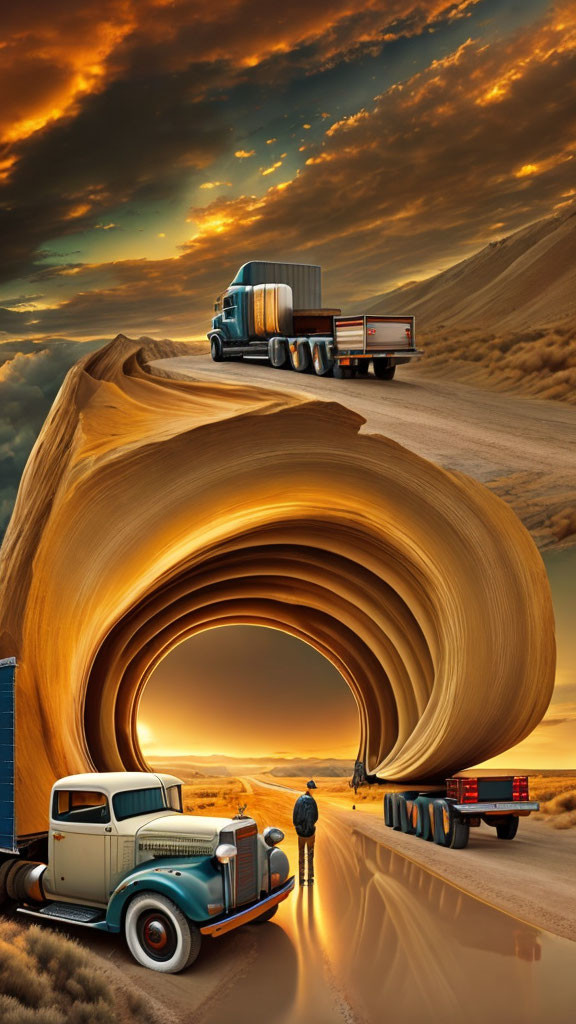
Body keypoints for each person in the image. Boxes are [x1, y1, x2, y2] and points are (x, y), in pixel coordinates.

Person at [292, 780, 318, 885]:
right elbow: (316, 817)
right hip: (311, 833)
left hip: (301, 834)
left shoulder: (299, 801)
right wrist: (310, 825)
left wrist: (299, 828)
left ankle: (301, 879)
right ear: (310, 789)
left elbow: (294, 818)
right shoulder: (313, 801)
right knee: (310, 855)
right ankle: (310, 879)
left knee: (301, 855)